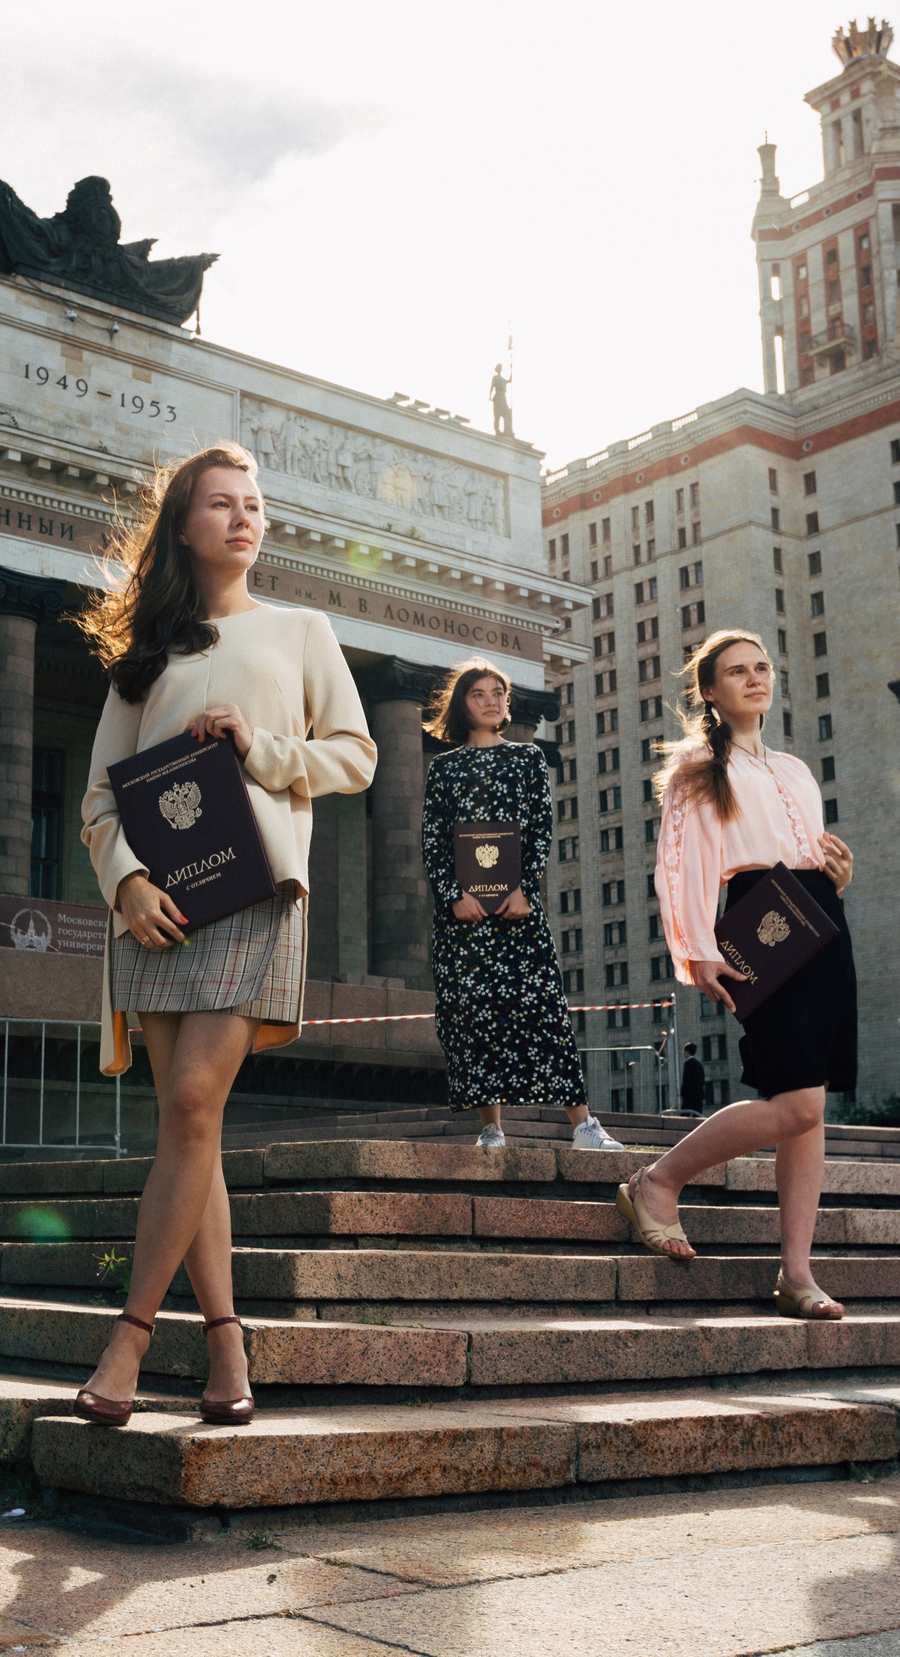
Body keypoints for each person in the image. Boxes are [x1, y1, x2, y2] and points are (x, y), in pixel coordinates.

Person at [68, 443, 376, 1426]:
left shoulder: (300, 630)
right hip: (160, 910)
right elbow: (97, 803)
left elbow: (357, 757)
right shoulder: (144, 658)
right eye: (220, 505)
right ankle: (227, 1347)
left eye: (255, 504)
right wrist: (124, 886)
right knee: (186, 1129)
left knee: (196, 1100)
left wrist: (261, 748)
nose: (244, 518)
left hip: (255, 890)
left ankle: (127, 1338)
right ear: (184, 525)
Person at [615, 629, 857, 1319]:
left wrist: (841, 874)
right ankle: (659, 1179)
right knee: (799, 1105)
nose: (754, 678)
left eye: (762, 667)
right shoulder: (700, 764)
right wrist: (695, 947)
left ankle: (797, 1274)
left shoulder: (796, 770)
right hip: (764, 923)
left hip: (823, 923)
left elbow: (812, 852)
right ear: (712, 691)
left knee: (810, 1114)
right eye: (736, 671)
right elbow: (682, 859)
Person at [420, 659, 621, 1153]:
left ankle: (584, 1126)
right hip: (462, 922)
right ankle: (492, 1129)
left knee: (546, 1012)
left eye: (498, 692)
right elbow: (433, 841)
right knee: (474, 1015)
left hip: (518, 914)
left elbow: (538, 831)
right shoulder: (444, 767)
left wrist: (525, 889)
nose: (491, 701)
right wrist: (453, 897)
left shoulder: (528, 759)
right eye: (479, 694)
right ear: (461, 705)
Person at [680, 1043, 707, 1115]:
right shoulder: (699, 1064)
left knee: (684, 1117)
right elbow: (702, 1080)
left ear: (687, 1051)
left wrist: (682, 1093)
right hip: (698, 1097)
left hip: (689, 1098)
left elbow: (686, 1080)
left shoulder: (688, 1064)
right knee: (697, 1116)